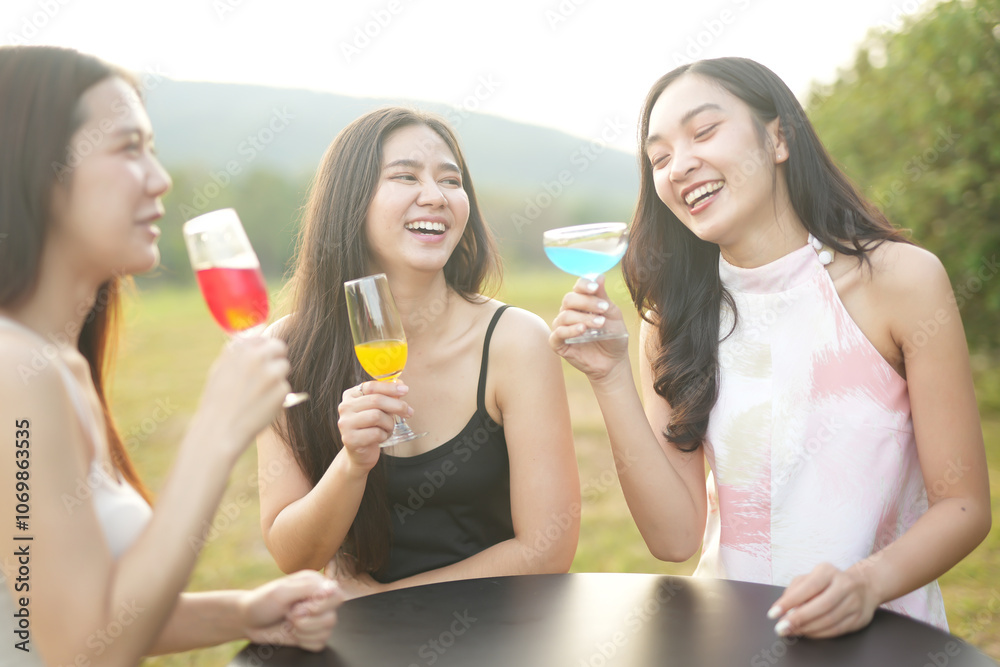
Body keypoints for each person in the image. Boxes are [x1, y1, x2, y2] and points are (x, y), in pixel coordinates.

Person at [550, 57, 991, 638]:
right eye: (659, 158)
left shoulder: (902, 281)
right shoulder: (673, 319)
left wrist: (866, 584)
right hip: (732, 637)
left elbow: (964, 506)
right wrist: (609, 379)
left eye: (704, 131)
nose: (680, 165)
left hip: (884, 639)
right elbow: (675, 539)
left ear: (778, 138)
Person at [0, 46, 341, 667]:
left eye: (152, 149)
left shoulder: (60, 365)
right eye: (128, 148)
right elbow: (81, 652)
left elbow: (72, 612)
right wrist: (217, 432)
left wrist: (244, 612)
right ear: (35, 169)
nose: (160, 178)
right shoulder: (13, 372)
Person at [257, 107, 580, 596]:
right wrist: (352, 465)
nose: (435, 196)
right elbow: (293, 555)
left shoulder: (516, 341)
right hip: (358, 635)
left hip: (497, 625)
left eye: (451, 181)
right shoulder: (286, 351)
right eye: (405, 176)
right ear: (350, 200)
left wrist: (386, 604)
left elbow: (547, 549)